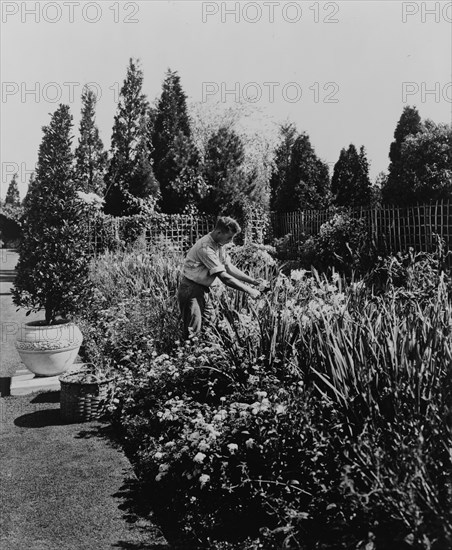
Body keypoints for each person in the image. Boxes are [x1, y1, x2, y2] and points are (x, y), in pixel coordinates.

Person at [177, 216, 267, 339]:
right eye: (229, 237)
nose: (231, 241)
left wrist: (252, 281)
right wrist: (249, 290)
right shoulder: (205, 248)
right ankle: (187, 354)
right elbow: (224, 277)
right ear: (219, 232)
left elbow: (229, 267)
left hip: (203, 290)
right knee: (193, 332)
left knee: (210, 326)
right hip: (191, 290)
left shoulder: (218, 244)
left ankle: (203, 355)